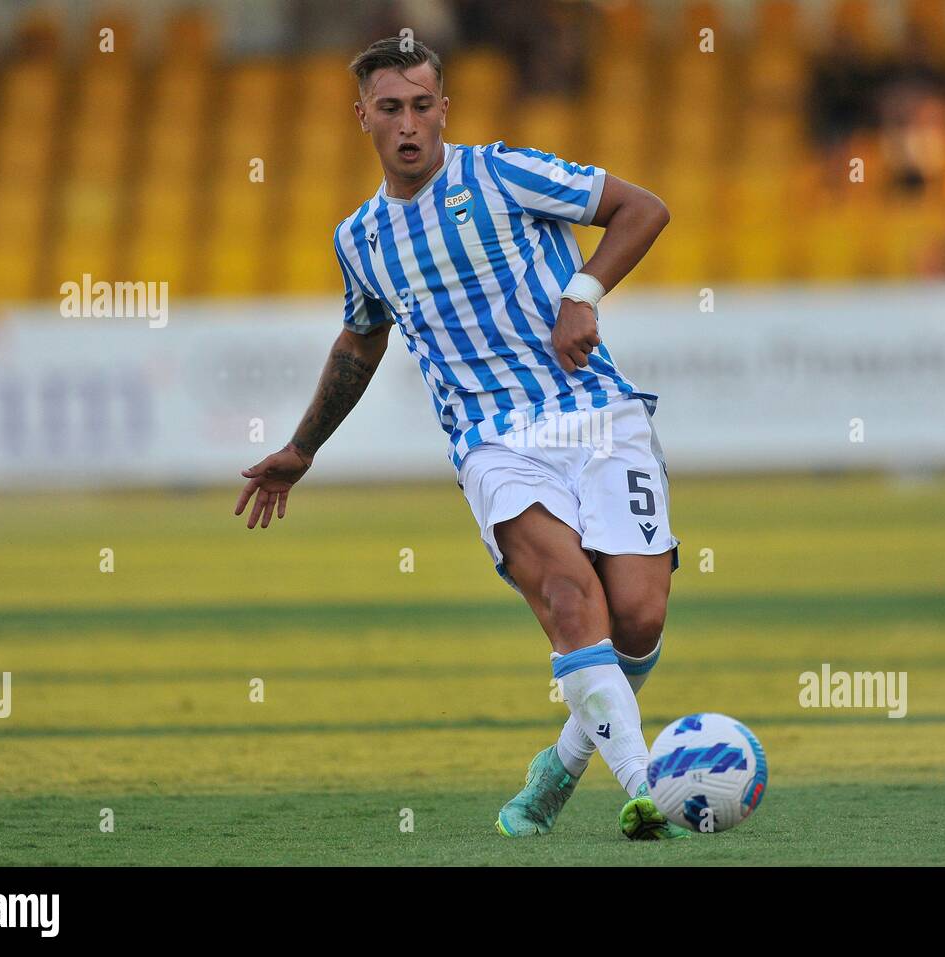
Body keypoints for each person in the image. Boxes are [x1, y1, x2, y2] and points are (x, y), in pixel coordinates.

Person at [234, 37, 685, 840]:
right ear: (362, 117)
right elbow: (360, 341)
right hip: (492, 441)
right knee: (569, 600)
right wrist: (303, 448)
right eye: (389, 109)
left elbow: (643, 207)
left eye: (420, 105)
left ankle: (558, 768)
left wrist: (582, 292)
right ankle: (649, 787)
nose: (408, 124)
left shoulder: (503, 172)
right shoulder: (362, 238)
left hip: (598, 414)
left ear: (444, 108)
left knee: (639, 620)